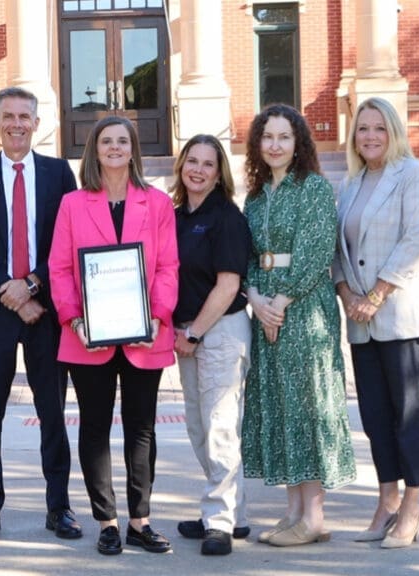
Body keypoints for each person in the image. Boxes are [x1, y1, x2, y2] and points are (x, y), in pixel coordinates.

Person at [49, 115, 179, 556]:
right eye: (107, 141)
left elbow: (168, 267)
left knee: (141, 429)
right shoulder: (73, 204)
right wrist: (76, 320)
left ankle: (140, 520)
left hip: (146, 335)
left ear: (133, 149)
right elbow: (60, 269)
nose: (116, 147)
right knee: (95, 428)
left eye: (123, 141)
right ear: (95, 149)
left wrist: (159, 317)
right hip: (90, 336)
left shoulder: (157, 204)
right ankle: (107, 521)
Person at [0, 86, 81, 542]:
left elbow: (67, 241)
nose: (16, 124)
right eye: (7, 115)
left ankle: (60, 509)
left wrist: (32, 286)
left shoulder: (57, 173)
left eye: (24, 116)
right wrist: (9, 291)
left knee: (53, 413)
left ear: (36, 122)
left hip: (45, 313)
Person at [241, 103, 356, 547]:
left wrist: (280, 303)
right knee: (280, 405)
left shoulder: (313, 189)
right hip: (264, 304)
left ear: (298, 143)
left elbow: (315, 253)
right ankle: (292, 511)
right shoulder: (254, 196)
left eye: (284, 137)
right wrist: (256, 298)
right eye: (267, 137)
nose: (274, 145)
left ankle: (314, 516)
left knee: (307, 405)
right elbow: (247, 256)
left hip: (304, 310)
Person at [333, 97, 419, 549]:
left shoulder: (414, 175)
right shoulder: (350, 183)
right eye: (362, 129)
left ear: (393, 132)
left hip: (402, 318)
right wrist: (348, 294)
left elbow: (416, 238)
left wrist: (376, 294)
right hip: (360, 320)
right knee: (376, 418)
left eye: (379, 128)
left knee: (407, 416)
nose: (370, 136)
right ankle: (386, 502)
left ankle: (412, 508)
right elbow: (335, 250)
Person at [170, 134, 253, 556]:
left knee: (220, 427)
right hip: (187, 334)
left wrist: (194, 333)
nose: (198, 170)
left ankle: (218, 521)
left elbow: (228, 285)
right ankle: (232, 514)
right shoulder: (175, 215)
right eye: (192, 161)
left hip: (219, 332)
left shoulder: (227, 218)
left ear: (219, 173)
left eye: (207, 163)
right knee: (199, 428)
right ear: (181, 166)